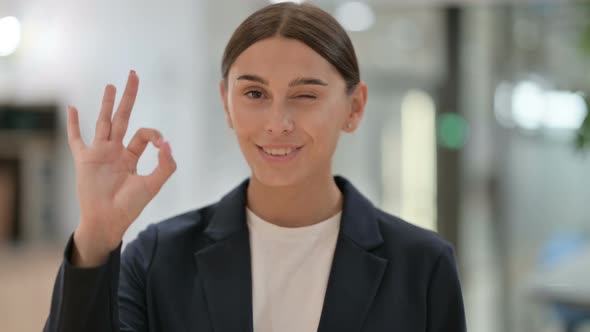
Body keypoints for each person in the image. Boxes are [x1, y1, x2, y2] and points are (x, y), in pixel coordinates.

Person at [43, 2, 466, 332]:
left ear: (354, 108)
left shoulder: (422, 266)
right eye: (254, 94)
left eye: (305, 95)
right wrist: (95, 235)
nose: (277, 123)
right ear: (226, 103)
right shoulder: (159, 259)